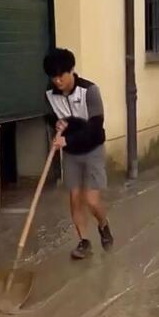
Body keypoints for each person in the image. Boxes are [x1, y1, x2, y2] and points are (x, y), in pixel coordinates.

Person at [43, 48, 114, 259]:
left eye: (61, 76)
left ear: (71, 71)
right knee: (75, 198)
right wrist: (55, 123)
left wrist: (68, 139)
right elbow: (49, 116)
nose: (57, 81)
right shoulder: (49, 93)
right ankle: (84, 242)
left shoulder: (90, 91)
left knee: (92, 200)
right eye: (53, 77)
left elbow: (95, 126)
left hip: (92, 149)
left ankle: (103, 225)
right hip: (71, 153)